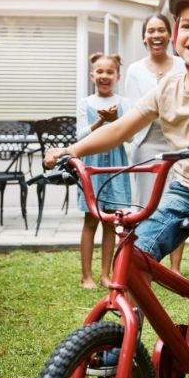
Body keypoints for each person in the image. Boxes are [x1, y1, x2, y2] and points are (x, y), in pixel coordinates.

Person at [45, 0, 189, 378]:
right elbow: (120, 129)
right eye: (187, 24)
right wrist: (72, 150)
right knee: (134, 255)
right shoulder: (168, 87)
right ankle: (119, 340)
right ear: (176, 33)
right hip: (182, 189)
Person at [125, 13, 187, 274]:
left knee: (178, 202)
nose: (156, 35)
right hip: (146, 144)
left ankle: (174, 266)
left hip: (178, 145)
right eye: (150, 31)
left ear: (170, 35)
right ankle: (145, 261)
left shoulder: (183, 65)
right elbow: (132, 110)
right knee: (145, 205)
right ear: (144, 37)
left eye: (161, 30)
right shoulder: (135, 70)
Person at [76, 52, 132, 289]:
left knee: (111, 222)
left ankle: (105, 274)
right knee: (91, 220)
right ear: (92, 75)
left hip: (115, 166)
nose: (104, 75)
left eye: (109, 72)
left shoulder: (124, 103)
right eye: (99, 71)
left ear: (117, 76)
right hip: (93, 166)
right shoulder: (85, 103)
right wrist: (101, 122)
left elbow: (129, 136)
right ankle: (86, 275)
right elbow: (79, 137)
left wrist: (116, 119)